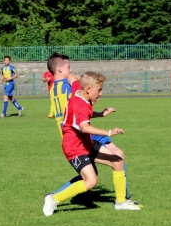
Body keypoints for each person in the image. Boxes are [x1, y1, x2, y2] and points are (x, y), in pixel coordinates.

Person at [43, 71, 141, 216]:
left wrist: (100, 113)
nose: (101, 94)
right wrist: (109, 132)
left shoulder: (78, 90)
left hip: (86, 144)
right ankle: (53, 199)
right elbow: (84, 127)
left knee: (118, 160)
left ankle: (121, 202)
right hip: (74, 149)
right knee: (91, 182)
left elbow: (71, 78)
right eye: (99, 90)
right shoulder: (80, 106)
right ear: (88, 89)